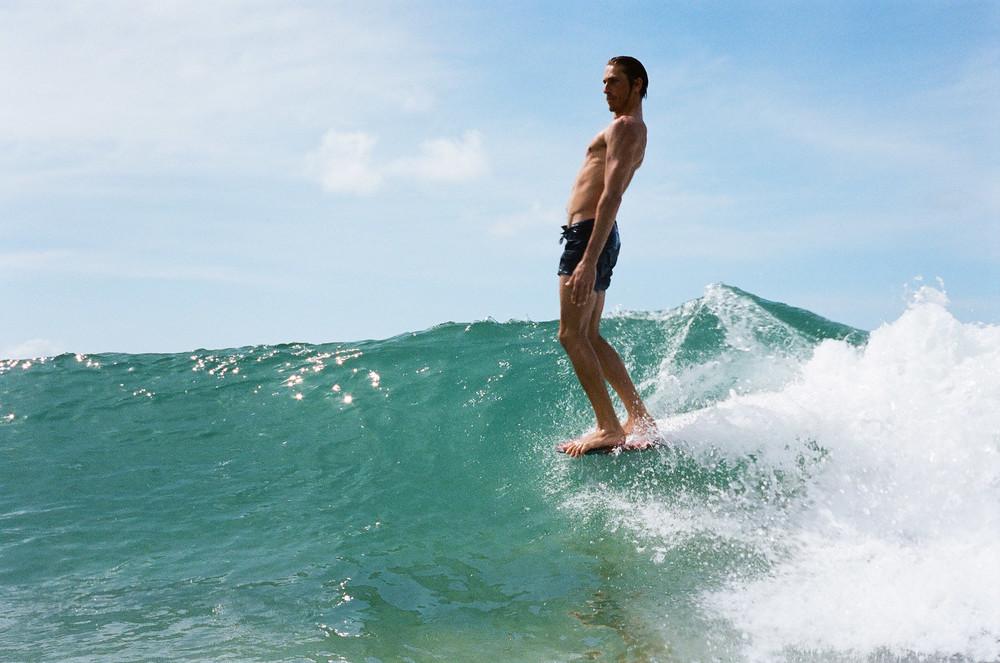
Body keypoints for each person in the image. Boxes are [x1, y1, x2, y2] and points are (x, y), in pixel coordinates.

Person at [556, 56, 658, 457]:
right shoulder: (632, 129)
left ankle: (608, 426)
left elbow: (611, 195)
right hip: (595, 235)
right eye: (603, 82)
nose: (605, 89)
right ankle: (638, 417)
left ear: (636, 84)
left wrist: (586, 259)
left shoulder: (625, 127)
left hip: (589, 236)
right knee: (590, 335)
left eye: (613, 81)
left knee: (570, 334)